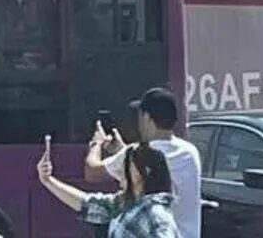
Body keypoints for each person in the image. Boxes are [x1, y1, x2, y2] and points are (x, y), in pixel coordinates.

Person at [85, 88, 202, 238]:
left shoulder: (137, 151)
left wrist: (97, 144)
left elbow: (92, 172)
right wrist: (123, 151)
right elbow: (147, 165)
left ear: (147, 117)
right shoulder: (190, 152)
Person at [39, 140, 180, 238]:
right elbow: (88, 203)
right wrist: (48, 180)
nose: (119, 172)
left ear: (143, 173)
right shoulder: (126, 202)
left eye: (126, 166)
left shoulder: (156, 215)